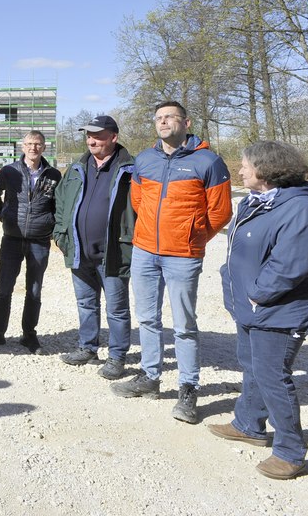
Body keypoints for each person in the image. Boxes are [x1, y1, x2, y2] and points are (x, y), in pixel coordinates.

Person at [210, 141, 308, 480]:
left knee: (272, 376)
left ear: (266, 168)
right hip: (252, 307)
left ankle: (290, 452)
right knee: (252, 366)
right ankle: (249, 424)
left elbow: (293, 264)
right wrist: (233, 286)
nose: (240, 170)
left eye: (246, 165)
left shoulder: (300, 209)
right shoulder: (256, 203)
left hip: (279, 310)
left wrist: (258, 294)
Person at [113, 101, 232, 425]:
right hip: (145, 252)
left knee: (184, 325)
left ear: (186, 122)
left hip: (183, 256)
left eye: (170, 117)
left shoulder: (208, 161)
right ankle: (150, 378)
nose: (164, 122)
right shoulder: (145, 159)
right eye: (159, 118)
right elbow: (137, 201)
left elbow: (220, 213)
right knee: (148, 318)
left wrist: (193, 237)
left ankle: (188, 389)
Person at [53, 116, 135, 380]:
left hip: (113, 252)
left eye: (98, 135)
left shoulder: (130, 168)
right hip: (79, 250)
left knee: (117, 308)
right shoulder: (79, 166)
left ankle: (117, 356)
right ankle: (87, 347)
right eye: (88, 135)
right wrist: (60, 233)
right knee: (86, 303)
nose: (91, 140)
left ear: (113, 137)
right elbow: (61, 200)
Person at [0, 130, 61, 354]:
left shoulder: (53, 175)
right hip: (12, 239)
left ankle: (29, 335)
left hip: (39, 240)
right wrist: (3, 216)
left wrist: (51, 225)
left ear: (44, 148)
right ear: (22, 147)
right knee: (4, 287)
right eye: (29, 144)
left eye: (38, 144)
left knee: (34, 289)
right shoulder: (9, 171)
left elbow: (58, 205)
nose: (33, 148)